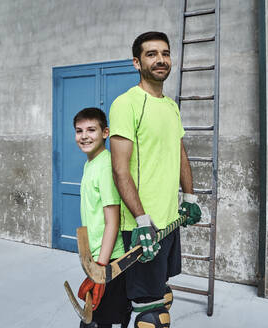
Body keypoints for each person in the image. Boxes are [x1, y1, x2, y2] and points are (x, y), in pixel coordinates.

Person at [109, 32, 201, 328]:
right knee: (152, 317)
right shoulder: (127, 104)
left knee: (162, 292)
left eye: (165, 53)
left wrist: (189, 197)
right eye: (151, 54)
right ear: (137, 62)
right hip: (142, 226)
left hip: (168, 220)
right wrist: (140, 220)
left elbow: (179, 153)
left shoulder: (171, 106)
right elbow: (120, 169)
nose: (160, 59)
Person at [74, 107, 131, 328]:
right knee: (93, 321)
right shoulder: (90, 163)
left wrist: (101, 267)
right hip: (97, 258)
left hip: (110, 262)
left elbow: (113, 220)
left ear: (105, 132)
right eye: (79, 131)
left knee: (104, 322)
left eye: (91, 129)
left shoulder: (106, 166)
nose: (84, 136)